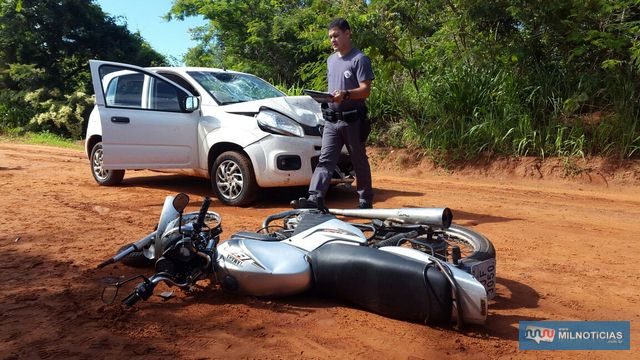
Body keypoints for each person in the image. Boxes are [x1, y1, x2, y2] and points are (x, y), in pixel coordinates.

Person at [297, 18, 375, 209]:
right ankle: (315, 198)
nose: (333, 40)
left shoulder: (359, 59)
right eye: (330, 37)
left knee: (358, 161)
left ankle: (365, 201)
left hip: (353, 120)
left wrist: (347, 94)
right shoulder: (331, 60)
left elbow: (365, 90)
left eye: (336, 35)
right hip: (332, 121)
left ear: (347, 34)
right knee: (326, 160)